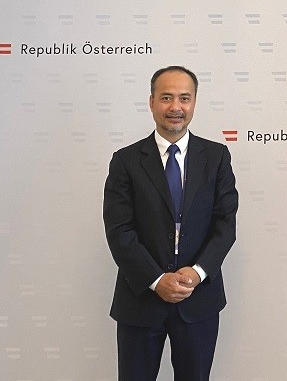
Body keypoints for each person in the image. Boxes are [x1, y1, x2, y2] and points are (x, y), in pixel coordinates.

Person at [103, 65, 238, 381]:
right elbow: (119, 230)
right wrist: (155, 279)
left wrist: (197, 272)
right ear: (151, 102)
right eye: (166, 97)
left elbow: (225, 224)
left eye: (184, 98)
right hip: (140, 300)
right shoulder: (125, 161)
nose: (175, 107)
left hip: (198, 300)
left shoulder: (217, 157)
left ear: (194, 103)